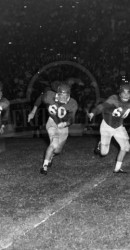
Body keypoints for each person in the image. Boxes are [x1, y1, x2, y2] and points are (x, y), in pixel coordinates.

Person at [28, 83, 78, 175]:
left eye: (65, 96)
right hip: (52, 122)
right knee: (54, 143)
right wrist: (32, 112)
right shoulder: (49, 96)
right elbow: (40, 99)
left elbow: (72, 119)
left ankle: (51, 156)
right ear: (57, 94)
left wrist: (65, 123)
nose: (63, 98)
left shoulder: (72, 103)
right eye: (61, 95)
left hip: (64, 127)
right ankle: (45, 166)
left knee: (57, 150)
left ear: (69, 95)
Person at [88, 82, 130, 174]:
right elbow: (102, 106)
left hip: (119, 127)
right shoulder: (114, 98)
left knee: (126, 147)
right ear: (120, 92)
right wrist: (93, 112)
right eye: (124, 92)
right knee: (104, 153)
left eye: (128, 93)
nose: (126, 95)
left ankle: (117, 168)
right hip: (107, 126)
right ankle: (100, 144)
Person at [0, 82, 10, 153]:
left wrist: (2, 126)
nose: (1, 93)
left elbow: (5, 116)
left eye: (1, 92)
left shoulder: (5, 102)